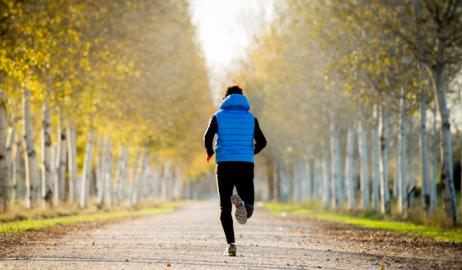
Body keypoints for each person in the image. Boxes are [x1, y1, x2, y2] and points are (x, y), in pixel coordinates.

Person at [203, 85, 267, 256]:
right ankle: (243, 204)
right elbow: (262, 142)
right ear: (242, 98)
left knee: (224, 207)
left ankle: (231, 245)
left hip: (224, 164)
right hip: (245, 165)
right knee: (250, 209)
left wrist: (210, 152)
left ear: (225, 99)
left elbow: (207, 137)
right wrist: (250, 152)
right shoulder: (251, 118)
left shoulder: (217, 116)